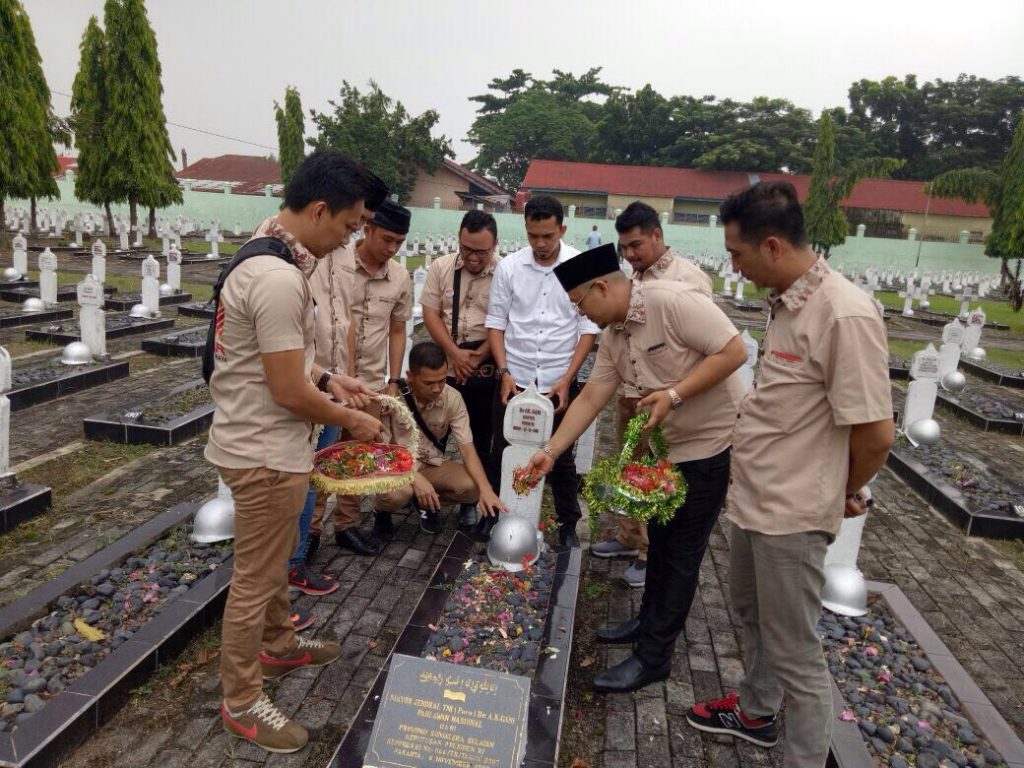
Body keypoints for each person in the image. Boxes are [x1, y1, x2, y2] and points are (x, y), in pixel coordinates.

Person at [685, 182, 893, 767]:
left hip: (792, 515)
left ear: (772, 246)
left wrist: (840, 490)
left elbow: (876, 435)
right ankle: (756, 712)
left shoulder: (843, 313)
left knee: (796, 653)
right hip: (756, 500)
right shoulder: (789, 301)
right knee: (751, 616)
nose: (733, 266)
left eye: (737, 253)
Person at [205, 150, 387, 753]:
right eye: (349, 225)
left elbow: (283, 360)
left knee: (276, 553)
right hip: (264, 451)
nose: (349, 239)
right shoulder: (280, 278)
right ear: (318, 210)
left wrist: (331, 378)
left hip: (262, 441)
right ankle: (241, 702)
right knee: (255, 578)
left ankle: (280, 644)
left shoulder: (268, 249)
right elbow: (286, 391)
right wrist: (351, 419)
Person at [525, 243, 746, 693]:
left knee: (681, 554)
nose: (581, 315)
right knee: (660, 542)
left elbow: (734, 352)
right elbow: (593, 395)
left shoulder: (673, 302)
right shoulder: (614, 335)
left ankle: (654, 657)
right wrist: (551, 450)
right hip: (666, 453)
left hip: (708, 448)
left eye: (580, 304)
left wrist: (675, 395)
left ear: (602, 287)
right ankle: (648, 623)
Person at [591, 201, 714, 589]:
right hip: (630, 396)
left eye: (636, 245)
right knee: (630, 467)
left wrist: (673, 394)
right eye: (624, 247)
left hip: (665, 404)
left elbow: (702, 349)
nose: (629, 254)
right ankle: (629, 537)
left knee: (656, 476)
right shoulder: (633, 278)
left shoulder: (687, 280)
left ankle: (649, 553)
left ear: (657, 235)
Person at [486, 195, 599, 548]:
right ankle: (496, 515)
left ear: (562, 230)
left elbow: (588, 328)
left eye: (548, 235)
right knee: (502, 448)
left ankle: (568, 524)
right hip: (515, 377)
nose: (540, 243)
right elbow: (496, 323)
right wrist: (504, 371)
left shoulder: (580, 264)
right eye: (533, 235)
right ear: (526, 229)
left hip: (557, 380)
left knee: (560, 456)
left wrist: (568, 378)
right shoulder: (509, 267)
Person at [283, 234, 362, 621]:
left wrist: (345, 377)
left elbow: (345, 318)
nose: (350, 233)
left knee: (315, 476)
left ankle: (295, 562)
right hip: (301, 383)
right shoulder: (288, 252)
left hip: (333, 381)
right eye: (349, 222)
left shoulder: (345, 252)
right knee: (294, 480)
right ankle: (286, 566)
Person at [332, 200, 413, 556]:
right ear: (367, 230)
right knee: (321, 453)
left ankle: (345, 526)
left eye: (399, 242)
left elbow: (397, 330)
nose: (392, 248)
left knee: (357, 456)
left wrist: (393, 380)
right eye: (386, 239)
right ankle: (311, 530)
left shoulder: (400, 277)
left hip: (371, 384)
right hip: (332, 382)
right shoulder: (337, 264)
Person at [420, 210, 502, 531]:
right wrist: (454, 354)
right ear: (459, 239)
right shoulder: (441, 267)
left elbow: (508, 320)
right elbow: (431, 313)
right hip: (447, 359)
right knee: (433, 435)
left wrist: (478, 358)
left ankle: (472, 501)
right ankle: (429, 502)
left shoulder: (505, 273)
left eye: (482, 251)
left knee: (480, 436)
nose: (473, 257)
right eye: (467, 249)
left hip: (486, 360)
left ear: (494, 245)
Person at [371, 341, 506, 535]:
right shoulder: (391, 398)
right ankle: (381, 511)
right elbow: (380, 452)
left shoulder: (453, 398)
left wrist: (486, 489)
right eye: (428, 383)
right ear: (410, 376)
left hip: (430, 463)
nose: (436, 388)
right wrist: (414, 478)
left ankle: (426, 502)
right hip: (396, 465)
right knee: (398, 495)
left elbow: (467, 449)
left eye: (441, 380)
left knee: (473, 486)